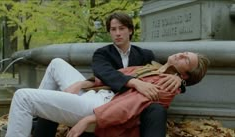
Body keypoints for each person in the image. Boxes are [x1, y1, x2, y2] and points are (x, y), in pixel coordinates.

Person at [11, 12, 182, 137]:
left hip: (112, 103)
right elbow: (103, 73)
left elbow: (163, 71)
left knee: (25, 96)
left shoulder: (145, 55)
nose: (117, 33)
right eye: (113, 29)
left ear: (130, 30)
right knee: (56, 63)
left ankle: (36, 112)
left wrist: (178, 79)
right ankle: (36, 114)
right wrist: (134, 83)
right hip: (97, 92)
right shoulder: (102, 53)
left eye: (121, 28)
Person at [66, 52, 210, 137]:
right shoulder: (148, 67)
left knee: (43, 100)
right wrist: (83, 84)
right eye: (185, 52)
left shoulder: (169, 83)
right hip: (97, 96)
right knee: (56, 64)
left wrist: (89, 119)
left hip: (107, 113)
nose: (181, 54)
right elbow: (115, 76)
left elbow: (130, 103)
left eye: (186, 59)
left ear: (184, 75)